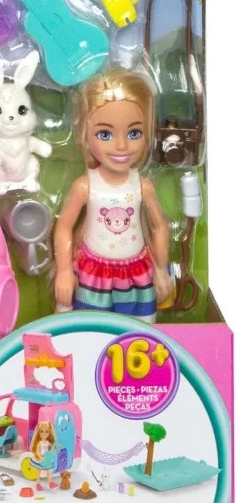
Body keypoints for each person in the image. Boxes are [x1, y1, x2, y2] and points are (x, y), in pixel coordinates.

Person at [54, 69, 171, 321]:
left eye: (134, 133)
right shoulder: (85, 186)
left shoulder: (143, 186)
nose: (121, 146)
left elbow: (159, 226)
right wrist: (64, 271)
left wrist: (161, 269)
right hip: (94, 275)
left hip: (137, 274)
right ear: (86, 134)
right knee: (90, 327)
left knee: (139, 331)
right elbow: (64, 226)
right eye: (105, 134)